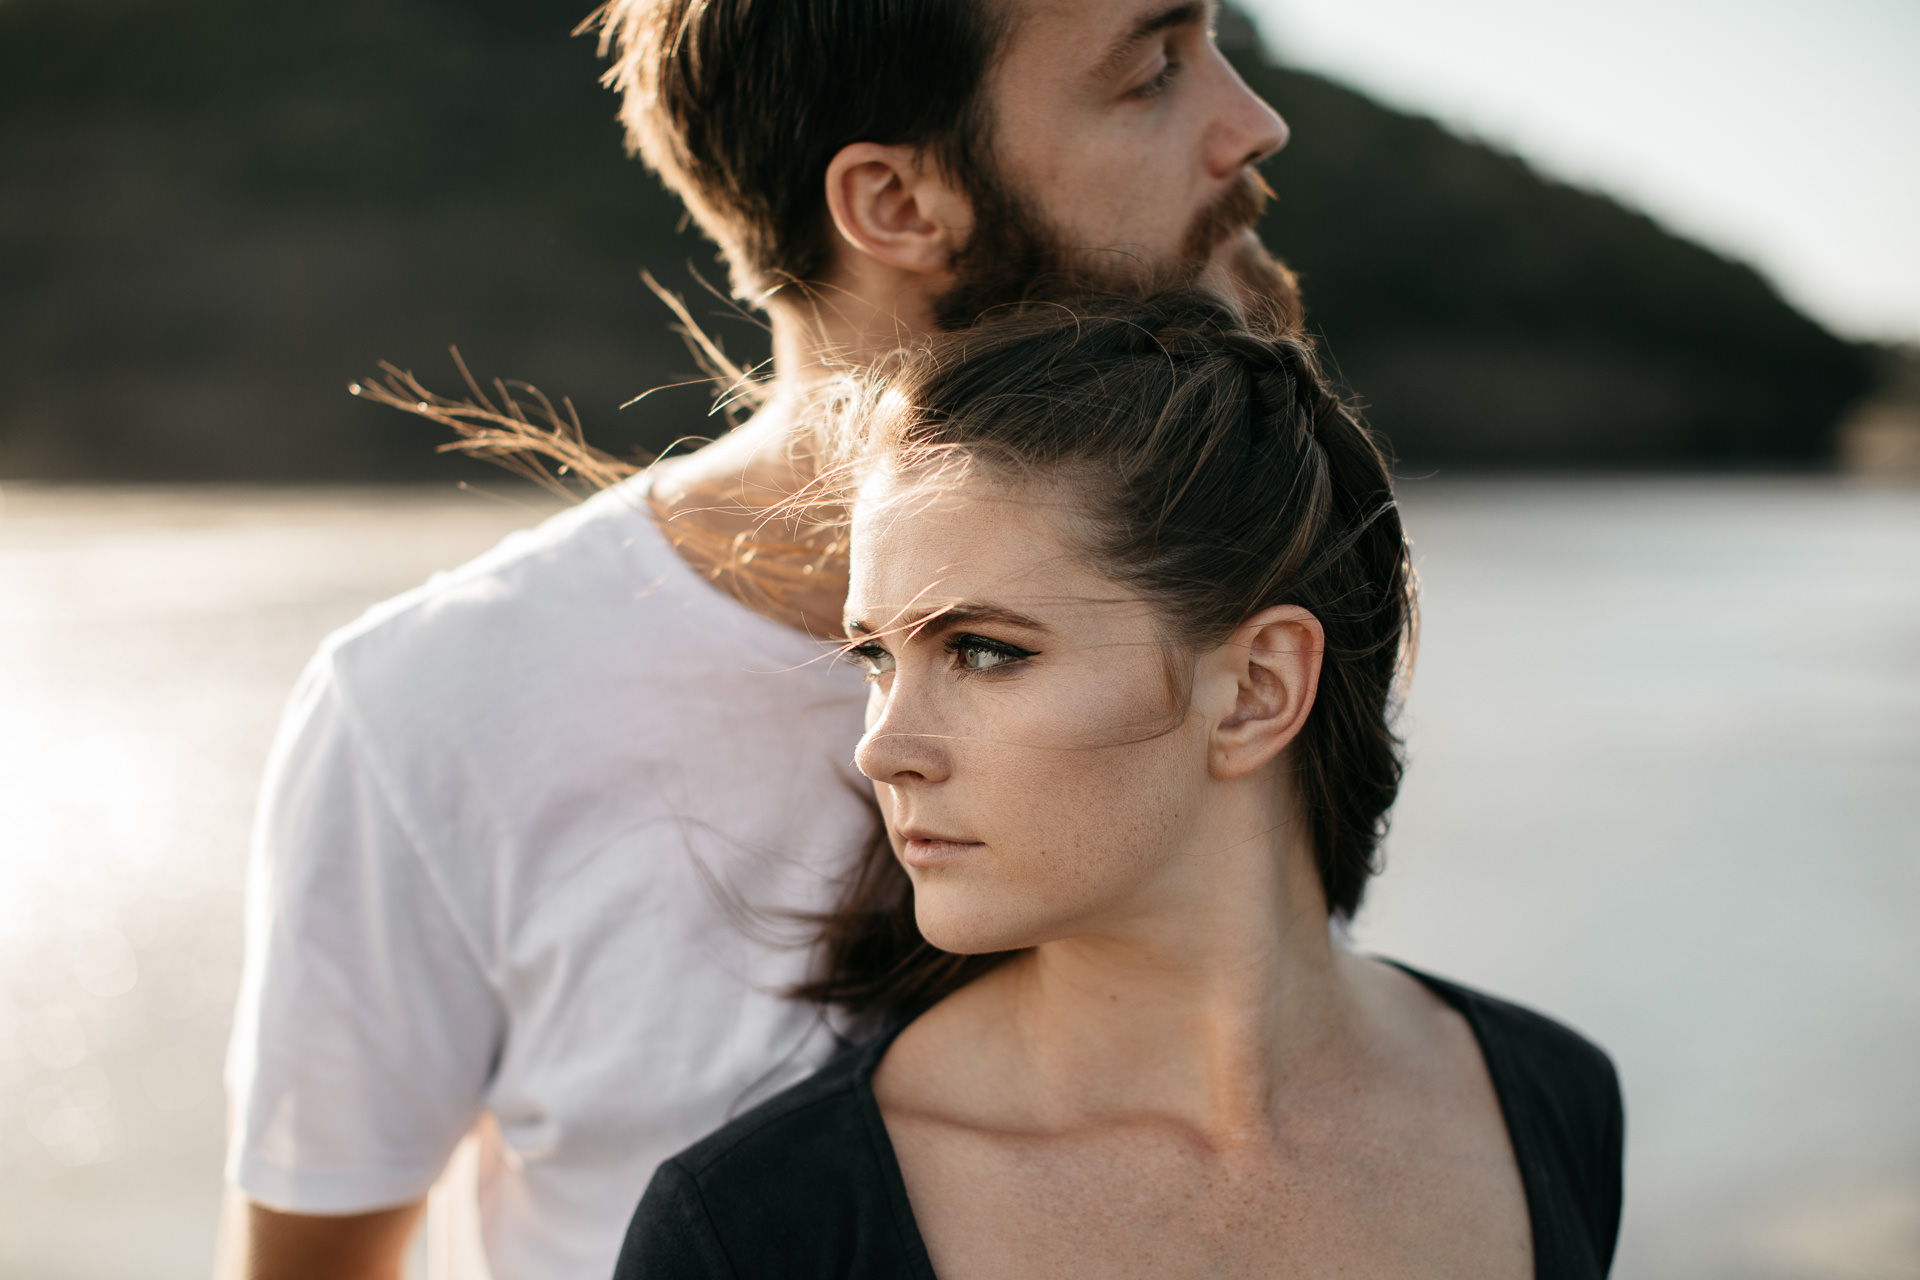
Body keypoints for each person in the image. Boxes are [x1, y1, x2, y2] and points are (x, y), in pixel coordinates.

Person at [218, 1, 1298, 1277]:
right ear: (898, 203)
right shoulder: (432, 705)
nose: (1253, 123)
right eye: (1153, 71)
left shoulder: (1242, 614)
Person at [615, 290, 1625, 1278]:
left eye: (983, 650)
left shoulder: (1547, 1098)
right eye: (875, 657)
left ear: (1255, 691)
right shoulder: (759, 1228)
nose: (882, 748)